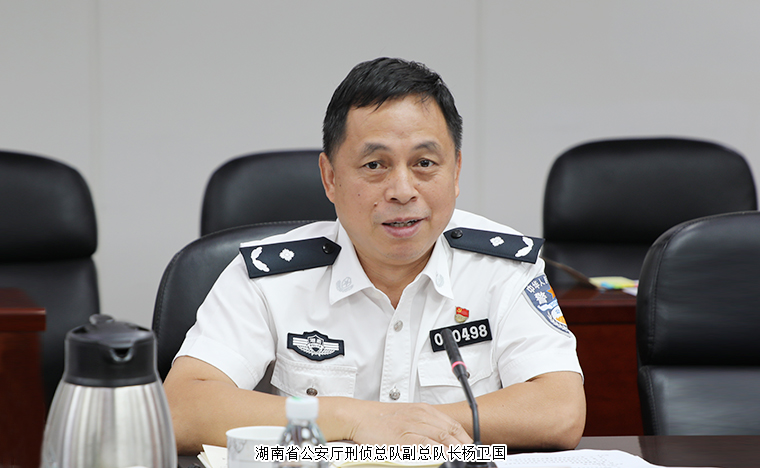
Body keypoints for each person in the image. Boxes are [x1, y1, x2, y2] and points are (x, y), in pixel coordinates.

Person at [164, 57, 585, 455]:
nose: (402, 190)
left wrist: (406, 427)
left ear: (455, 172)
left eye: (424, 163)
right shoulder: (269, 277)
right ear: (330, 177)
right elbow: (181, 408)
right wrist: (355, 420)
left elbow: (560, 409)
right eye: (374, 165)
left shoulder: (504, 268)